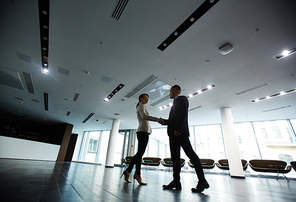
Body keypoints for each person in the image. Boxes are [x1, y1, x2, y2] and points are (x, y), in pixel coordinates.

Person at [159, 85, 209, 193]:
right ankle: (176, 181)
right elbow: (174, 119)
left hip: (180, 133)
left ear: (176, 90)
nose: (169, 93)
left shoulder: (182, 99)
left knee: (191, 155)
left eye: (170, 91)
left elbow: (183, 114)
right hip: (173, 135)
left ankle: (202, 181)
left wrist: (178, 129)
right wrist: (164, 121)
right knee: (175, 158)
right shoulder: (175, 103)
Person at [121, 93, 161, 185]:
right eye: (146, 98)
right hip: (142, 132)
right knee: (140, 154)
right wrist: (158, 119)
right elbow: (144, 117)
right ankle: (137, 174)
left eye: (148, 98)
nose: (147, 99)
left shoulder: (143, 107)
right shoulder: (140, 106)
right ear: (141, 98)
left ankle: (128, 171)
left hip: (144, 131)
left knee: (139, 153)